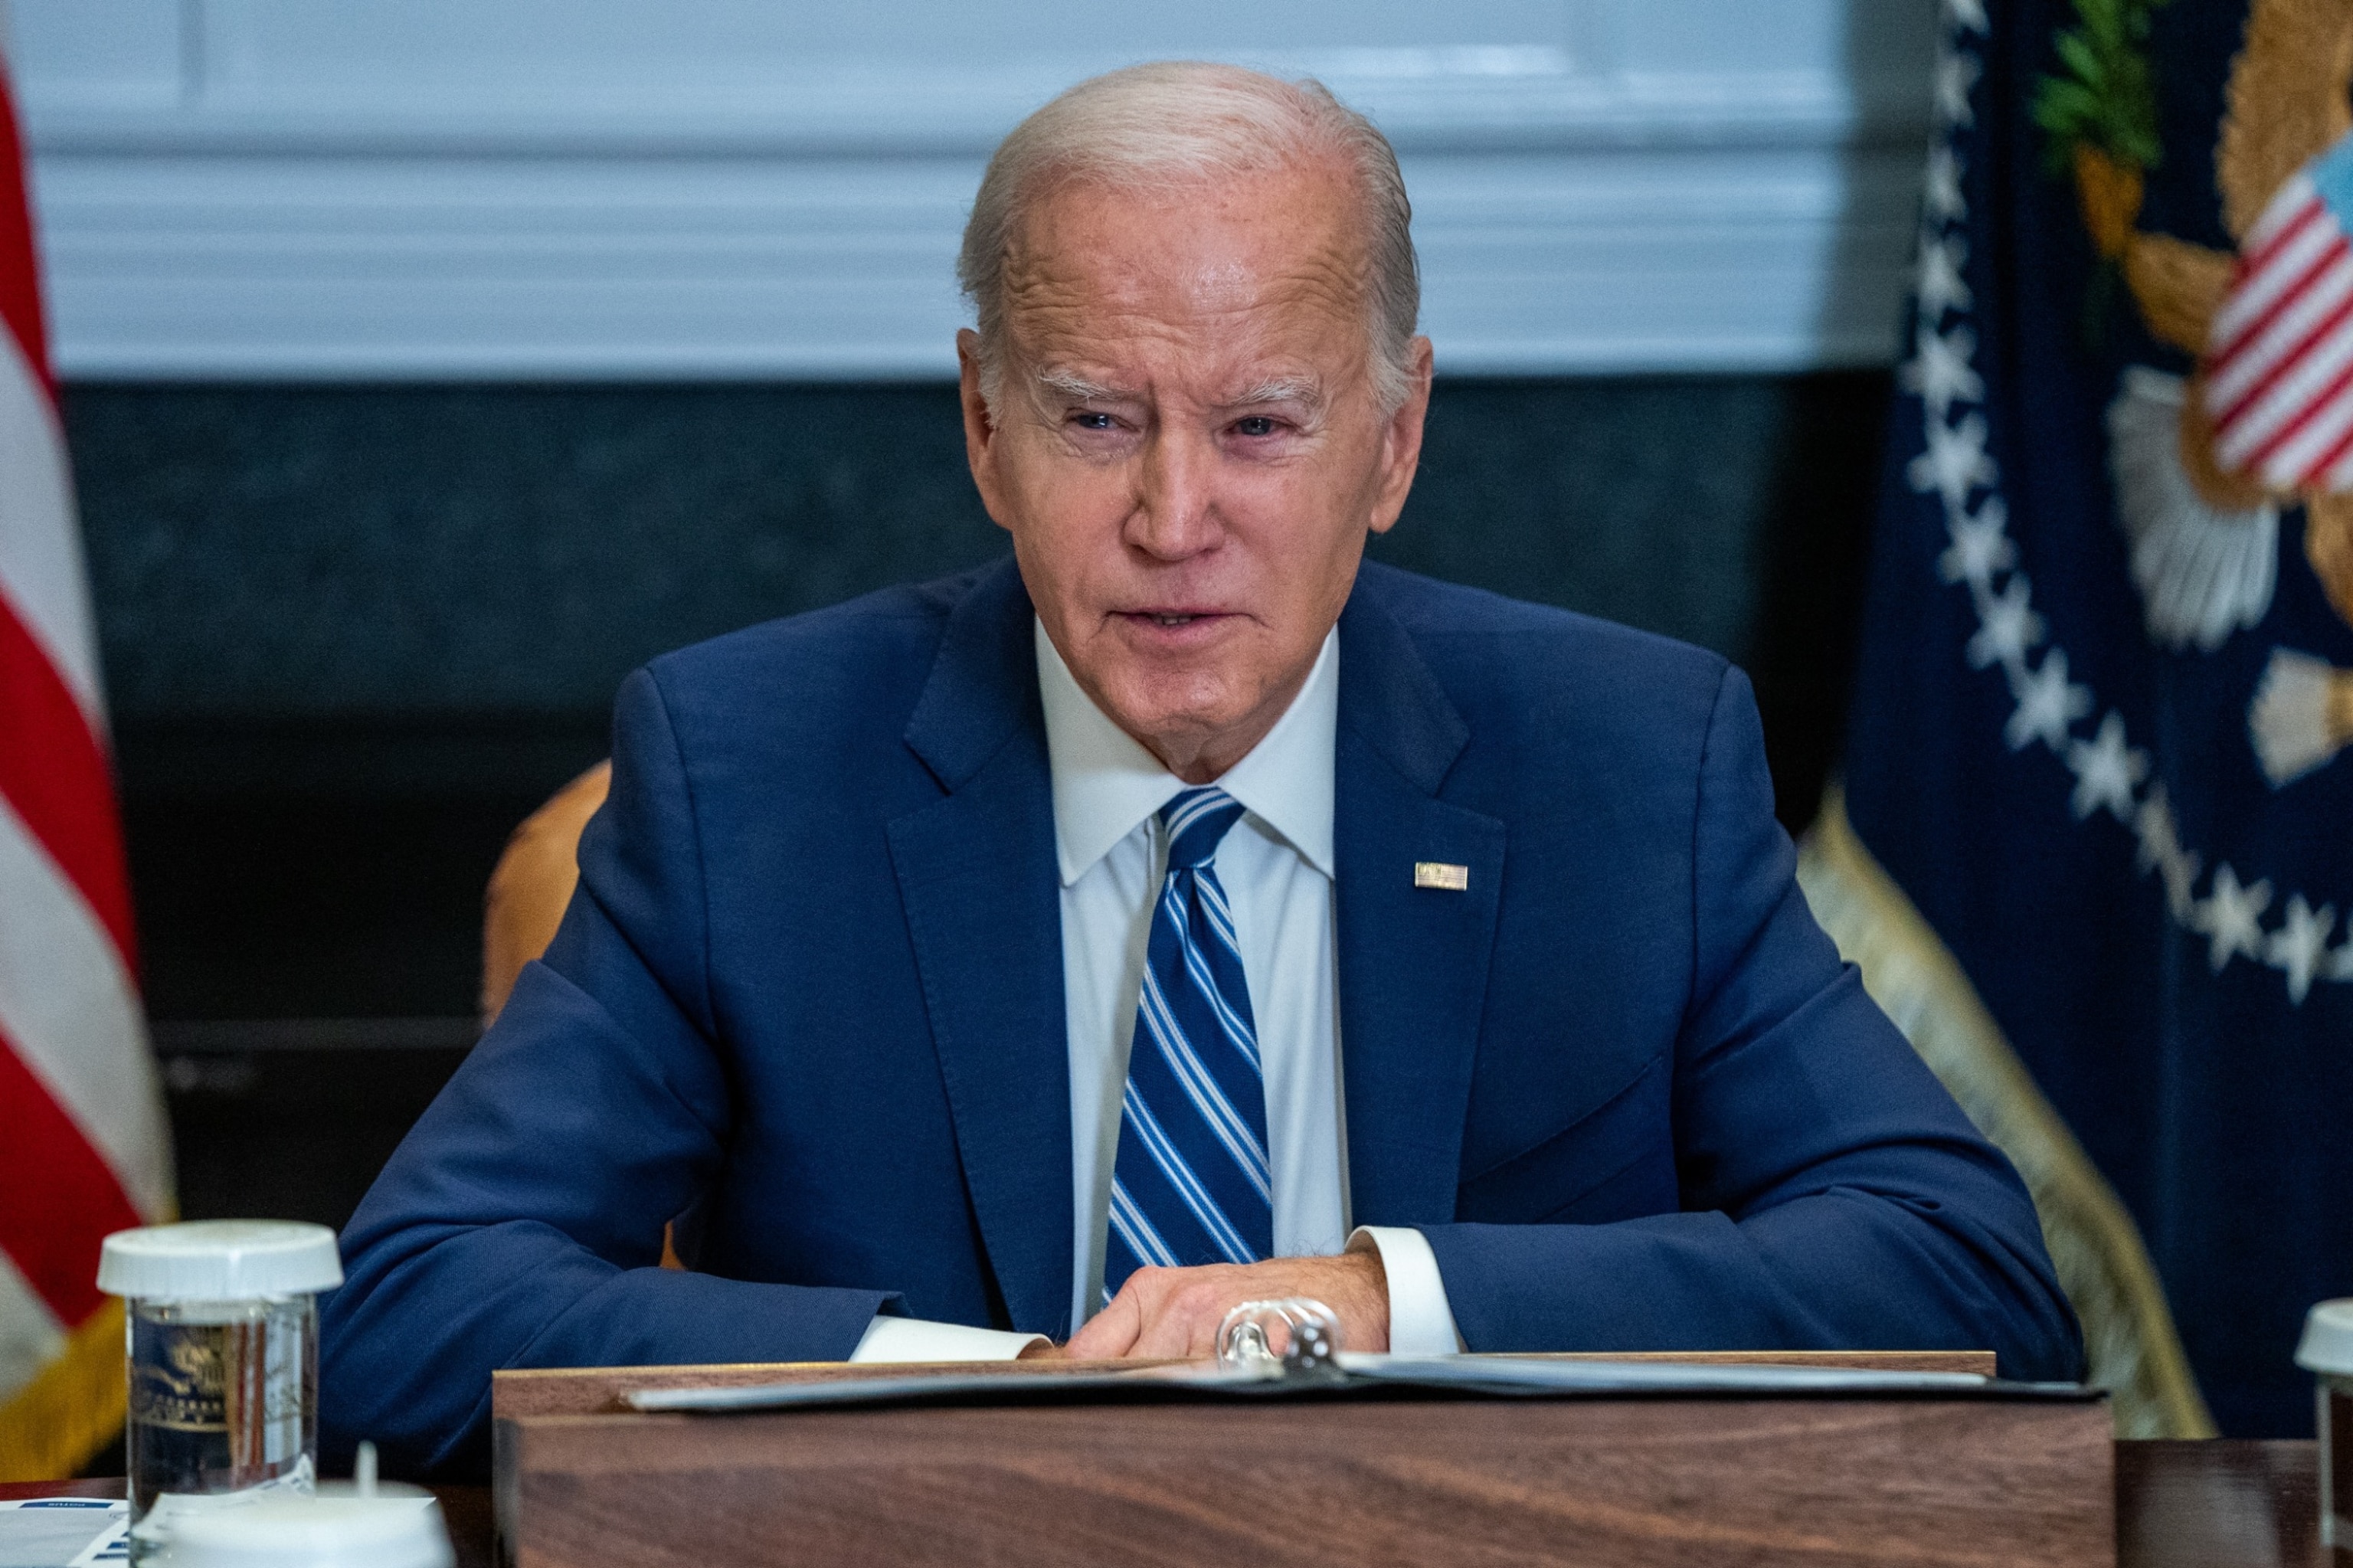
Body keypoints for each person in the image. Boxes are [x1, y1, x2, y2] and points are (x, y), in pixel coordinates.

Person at [320, 61, 2082, 1477]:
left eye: (1259, 425)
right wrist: (970, 1387)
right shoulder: (750, 773)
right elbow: (408, 1303)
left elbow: (1964, 1269)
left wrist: (1366, 1305)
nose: (1176, 521)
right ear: (983, 428)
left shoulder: (1626, 764)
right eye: (1098, 418)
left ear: (1392, 442)